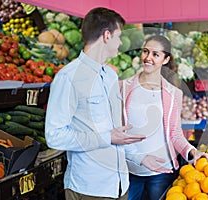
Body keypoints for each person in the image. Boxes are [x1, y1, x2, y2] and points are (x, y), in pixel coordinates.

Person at [45, 7, 146, 200]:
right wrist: (106, 137)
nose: (120, 42)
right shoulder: (68, 77)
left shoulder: (109, 76)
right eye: (118, 36)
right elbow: (54, 136)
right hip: (89, 189)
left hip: (120, 186)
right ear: (106, 36)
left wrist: (141, 158)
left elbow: (115, 131)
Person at [120, 35, 208, 200]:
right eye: (145, 52)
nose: (148, 58)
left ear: (165, 59)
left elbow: (175, 133)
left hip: (161, 172)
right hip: (129, 169)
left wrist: (192, 151)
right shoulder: (123, 87)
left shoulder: (173, 93)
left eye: (155, 54)